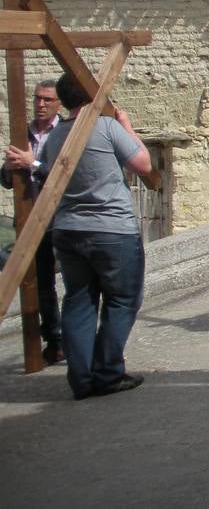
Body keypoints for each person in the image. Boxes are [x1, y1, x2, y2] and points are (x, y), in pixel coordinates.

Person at [39, 73, 153, 400]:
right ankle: (107, 372)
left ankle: (82, 378)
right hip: (112, 228)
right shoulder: (105, 127)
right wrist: (126, 124)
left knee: (78, 300)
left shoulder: (56, 136)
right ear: (93, 96)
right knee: (122, 298)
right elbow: (143, 164)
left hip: (68, 229)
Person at [2, 79, 65, 364]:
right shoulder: (23, 132)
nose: (40, 104)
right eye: (38, 99)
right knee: (38, 284)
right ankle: (54, 339)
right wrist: (8, 167)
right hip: (29, 217)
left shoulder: (64, 133)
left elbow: (66, 174)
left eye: (47, 100)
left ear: (58, 104)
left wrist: (33, 165)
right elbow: (6, 181)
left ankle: (69, 338)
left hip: (59, 216)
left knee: (74, 281)